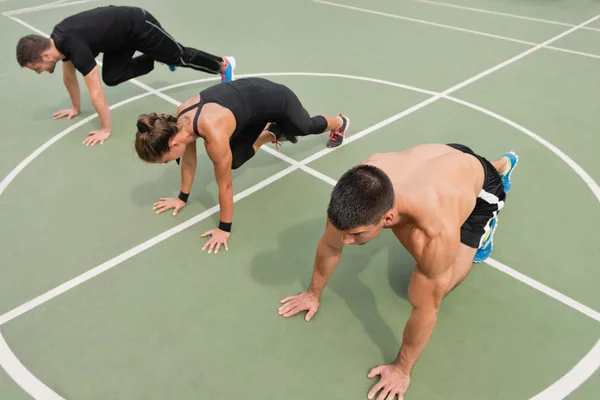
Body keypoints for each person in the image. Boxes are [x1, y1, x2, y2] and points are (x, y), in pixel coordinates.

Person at [278, 143, 519, 400]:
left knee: (443, 284)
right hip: (445, 158)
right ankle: (492, 162)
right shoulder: (360, 183)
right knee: (465, 165)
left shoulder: (434, 232)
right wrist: (312, 293)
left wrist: (401, 369)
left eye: (356, 234)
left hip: (480, 189)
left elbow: (426, 308)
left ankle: (500, 175)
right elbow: (330, 244)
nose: (345, 240)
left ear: (388, 218)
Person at [134, 77, 350, 254]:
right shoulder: (180, 122)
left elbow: (225, 186)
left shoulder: (213, 134)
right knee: (236, 160)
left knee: (305, 127)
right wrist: (181, 198)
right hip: (249, 109)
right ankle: (271, 133)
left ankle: (340, 123)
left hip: (275, 98)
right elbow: (189, 161)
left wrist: (224, 228)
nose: (168, 163)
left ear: (173, 143)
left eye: (165, 160)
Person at [15, 5, 236, 146]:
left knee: (179, 55)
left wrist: (105, 129)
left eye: (36, 68)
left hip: (139, 25)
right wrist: (74, 108)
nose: (39, 72)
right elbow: (69, 78)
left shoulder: (74, 47)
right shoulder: (59, 41)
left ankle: (222, 64)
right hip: (119, 39)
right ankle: (154, 57)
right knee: (112, 76)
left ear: (45, 55)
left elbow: (96, 92)